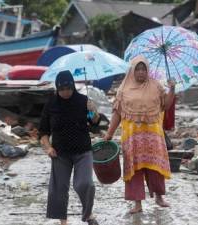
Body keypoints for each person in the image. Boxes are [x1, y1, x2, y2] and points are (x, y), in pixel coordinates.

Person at [104, 55, 175, 214]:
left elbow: (166, 105)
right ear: (133, 70)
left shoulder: (156, 86)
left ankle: (159, 196)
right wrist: (109, 133)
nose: (141, 72)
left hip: (153, 136)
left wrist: (172, 89)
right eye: (138, 69)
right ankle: (137, 203)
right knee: (134, 169)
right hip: (132, 137)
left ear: (148, 70)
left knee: (156, 167)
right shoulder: (124, 88)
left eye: (144, 69)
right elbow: (117, 113)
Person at [39, 71, 100, 225]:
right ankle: (63, 221)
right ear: (57, 89)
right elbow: (43, 132)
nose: (65, 92)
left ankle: (88, 215)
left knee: (85, 184)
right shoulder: (51, 104)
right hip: (60, 153)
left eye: (68, 89)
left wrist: (92, 111)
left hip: (83, 151)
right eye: (62, 89)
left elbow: (95, 124)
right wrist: (48, 147)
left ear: (73, 86)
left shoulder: (83, 100)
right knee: (59, 189)